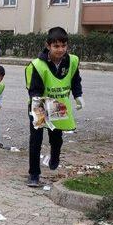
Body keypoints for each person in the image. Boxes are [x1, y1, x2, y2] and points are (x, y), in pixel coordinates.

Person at [25, 26, 83, 187]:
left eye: (63, 46)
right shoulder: (38, 65)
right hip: (39, 104)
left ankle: (55, 154)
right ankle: (34, 174)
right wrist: (40, 107)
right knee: (36, 140)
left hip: (58, 104)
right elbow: (33, 89)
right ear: (48, 45)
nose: (60, 49)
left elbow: (75, 80)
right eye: (56, 46)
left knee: (56, 137)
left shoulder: (71, 61)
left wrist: (78, 95)